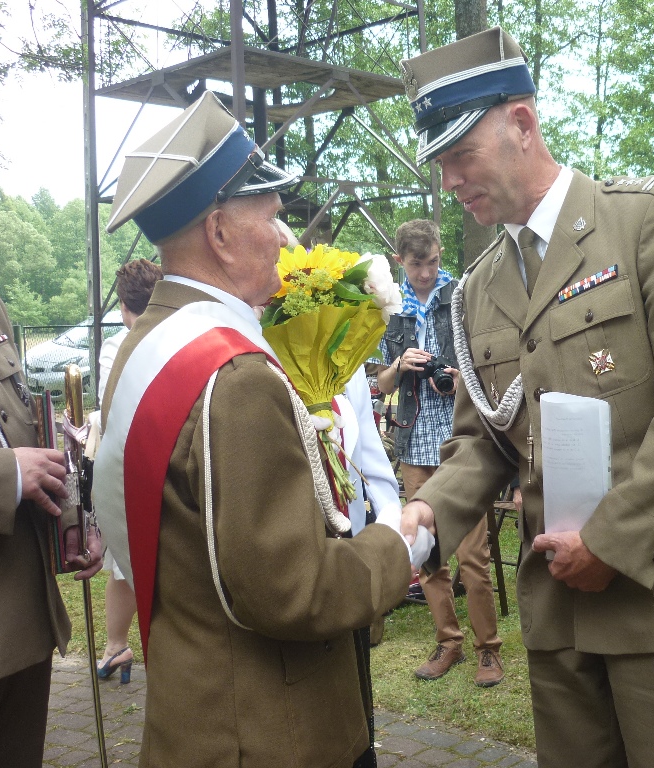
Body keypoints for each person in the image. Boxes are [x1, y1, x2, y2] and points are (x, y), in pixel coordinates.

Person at [397, 27, 654, 767]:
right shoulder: (476, 288)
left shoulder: (649, 219)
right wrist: (426, 513)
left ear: (522, 124)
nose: (449, 181)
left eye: (460, 155)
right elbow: (484, 439)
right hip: (559, 600)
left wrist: (611, 542)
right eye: (439, 164)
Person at [93, 91, 423, 767]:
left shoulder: (146, 341)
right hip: (271, 728)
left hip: (197, 705)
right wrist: (400, 544)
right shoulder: (236, 378)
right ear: (217, 232)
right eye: (271, 216)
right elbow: (292, 590)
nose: (286, 237)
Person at [0, 274, 103, 767]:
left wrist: (68, 518)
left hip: (21, 621)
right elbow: (10, 463)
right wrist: (4, 476)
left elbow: (18, 425)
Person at [372, 219, 504, 687]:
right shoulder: (393, 311)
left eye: (431, 262)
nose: (425, 273)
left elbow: (488, 366)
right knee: (426, 554)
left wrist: (460, 378)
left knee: (473, 556)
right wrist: (400, 364)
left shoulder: (461, 297)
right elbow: (382, 384)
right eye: (415, 264)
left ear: (440, 253)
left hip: (461, 444)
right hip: (414, 443)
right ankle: (449, 642)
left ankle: (489, 649)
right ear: (399, 261)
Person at [95, 258, 163, 684]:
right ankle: (116, 646)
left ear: (123, 305)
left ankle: (120, 646)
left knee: (128, 557)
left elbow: (109, 410)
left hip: (132, 465)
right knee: (130, 559)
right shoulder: (177, 334)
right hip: (160, 458)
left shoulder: (117, 346)